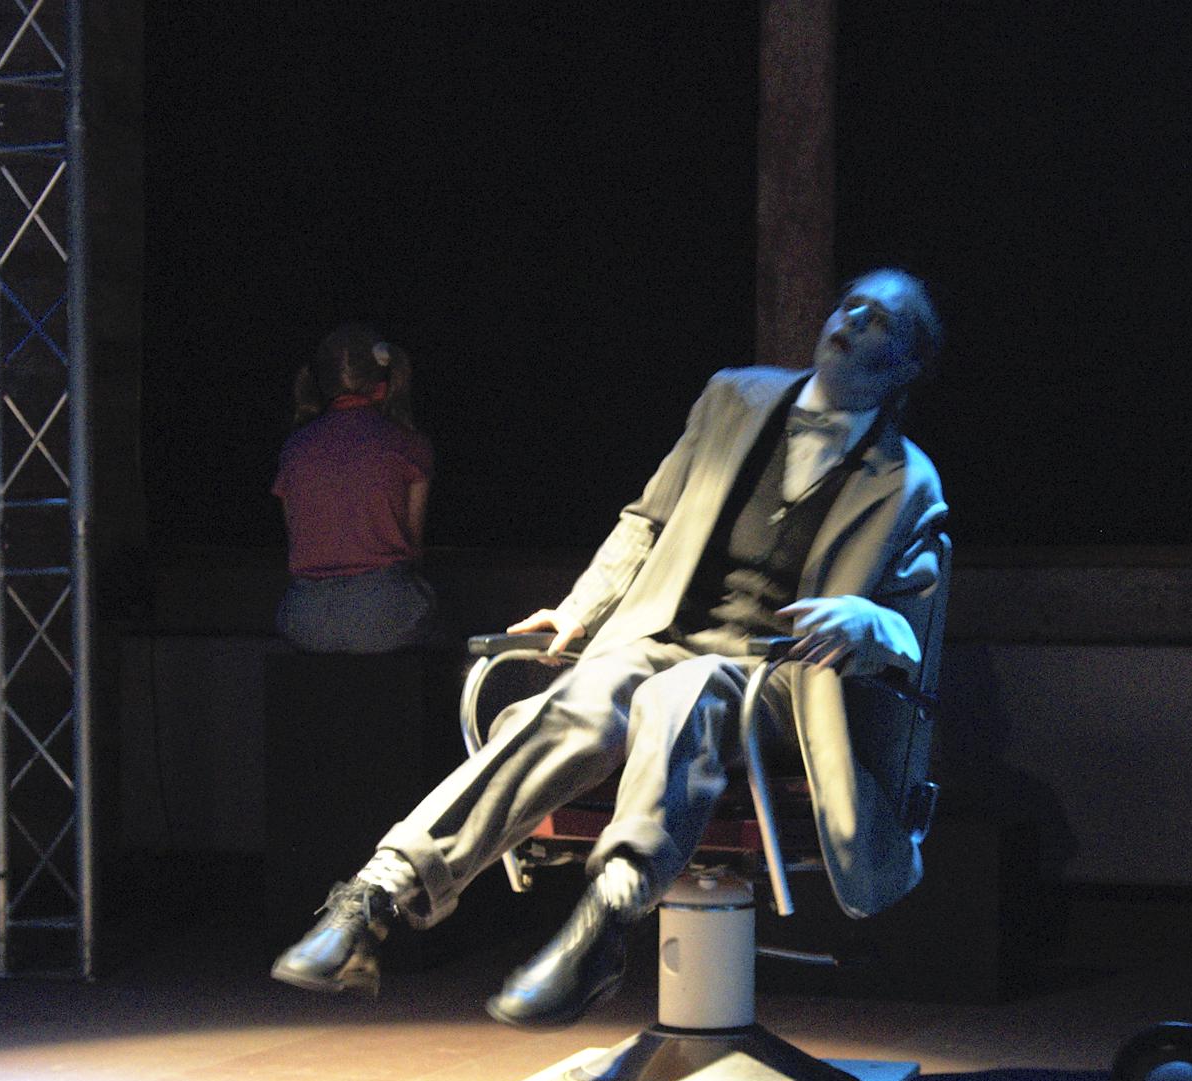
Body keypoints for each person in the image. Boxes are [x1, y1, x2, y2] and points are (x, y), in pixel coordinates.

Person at [271, 270, 947, 1029]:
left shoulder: (907, 482)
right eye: (849, 304)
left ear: (908, 364)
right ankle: (379, 894)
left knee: (684, 690)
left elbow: (914, 633)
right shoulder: (735, 397)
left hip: (779, 682)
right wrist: (579, 611)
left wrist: (865, 619)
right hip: (667, 641)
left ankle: (605, 920)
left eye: (878, 320)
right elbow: (647, 520)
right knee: (586, 696)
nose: (850, 321)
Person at [271, 324, 441, 653]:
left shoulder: (295, 447)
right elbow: (413, 547)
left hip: (305, 617)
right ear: (382, 381)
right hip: (381, 614)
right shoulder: (408, 444)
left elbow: (297, 537)